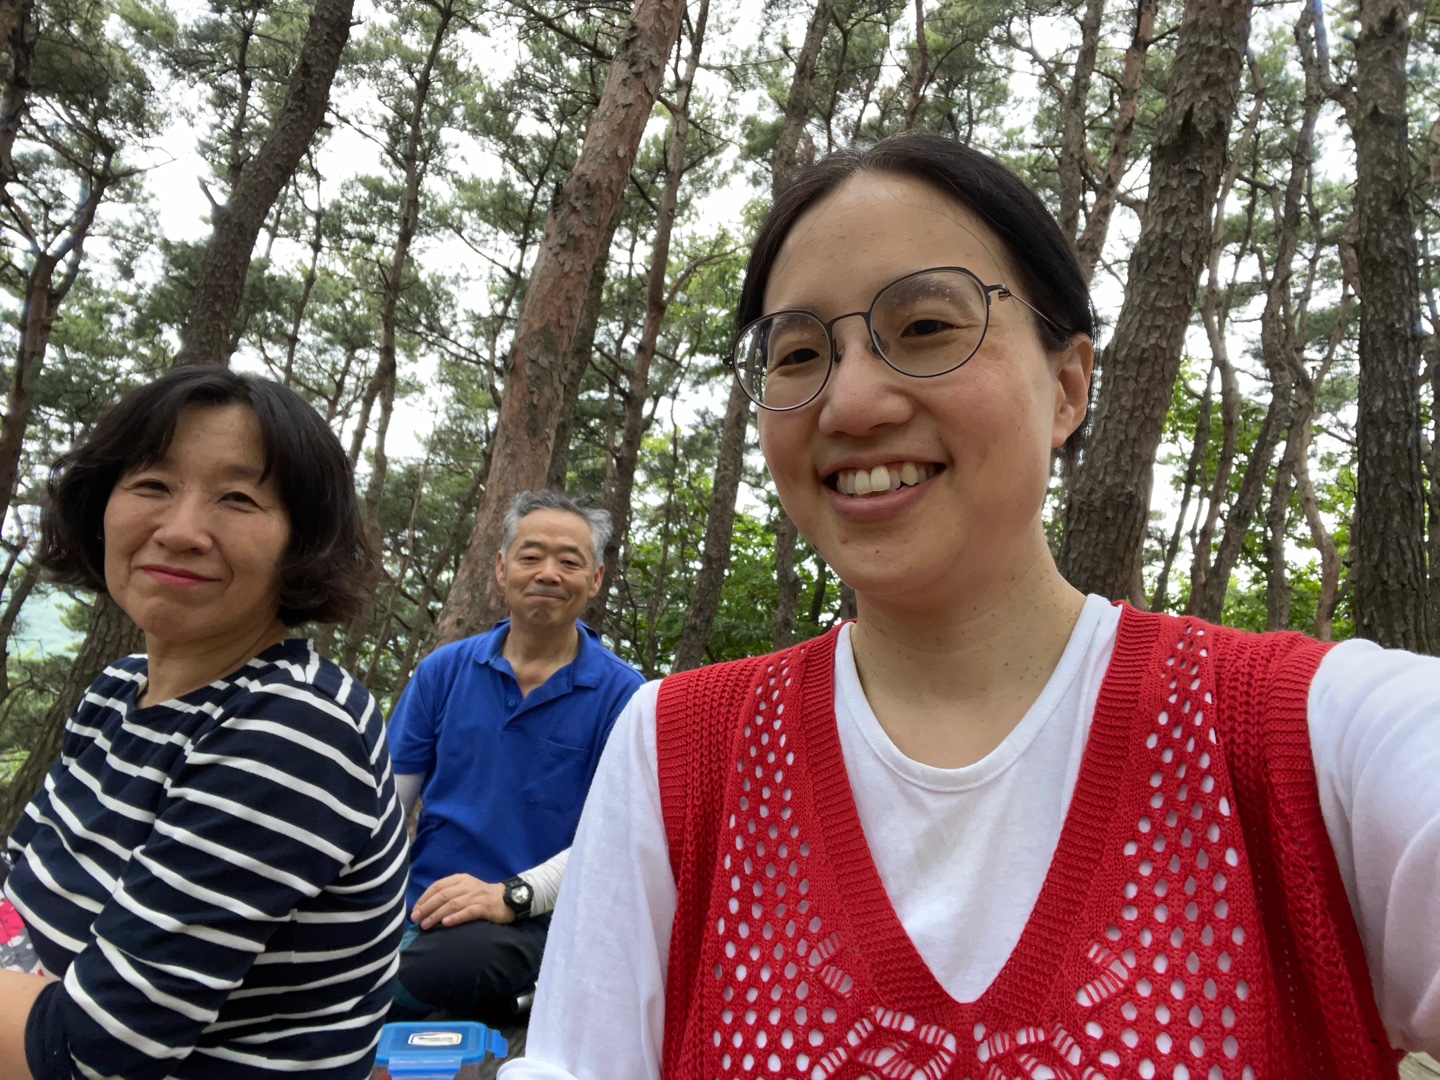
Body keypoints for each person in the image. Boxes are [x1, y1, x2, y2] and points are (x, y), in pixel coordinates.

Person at [500, 134, 1440, 1079]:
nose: (851, 404)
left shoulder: (1303, 738)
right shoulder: (676, 752)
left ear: (1067, 387)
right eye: (799, 352)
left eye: (924, 327)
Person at [0, 367, 409, 1080]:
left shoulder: (293, 729)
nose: (182, 530)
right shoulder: (118, 691)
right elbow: (20, 886)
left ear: (302, 541)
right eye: (152, 484)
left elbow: (88, 1051)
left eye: (238, 498)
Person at [387, 490, 643, 1024]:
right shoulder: (443, 672)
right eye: (531, 556)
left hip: (535, 918)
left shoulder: (626, 696)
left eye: (569, 561)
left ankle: (370, 994)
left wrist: (512, 897)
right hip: (421, 908)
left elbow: (616, 840)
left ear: (595, 579)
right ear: (502, 569)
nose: (548, 573)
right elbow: (384, 808)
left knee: (459, 962)